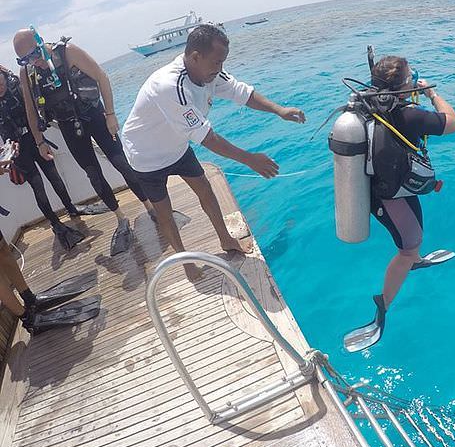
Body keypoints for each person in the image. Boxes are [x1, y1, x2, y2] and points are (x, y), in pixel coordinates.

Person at [121, 24, 306, 281]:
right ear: (195, 57)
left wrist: (279, 110)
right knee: (164, 212)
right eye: (217, 62)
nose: (220, 68)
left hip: (177, 145)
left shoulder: (207, 73)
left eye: (223, 62)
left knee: (205, 189)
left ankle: (226, 239)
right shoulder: (170, 86)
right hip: (146, 154)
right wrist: (250, 159)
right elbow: (206, 138)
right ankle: (185, 261)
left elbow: (241, 92)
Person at [343, 55, 455, 352]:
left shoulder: (372, 106)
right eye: (410, 78)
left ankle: (416, 259)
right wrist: (433, 94)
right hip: (388, 195)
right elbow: (453, 123)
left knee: (415, 234)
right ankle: (382, 308)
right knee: (407, 248)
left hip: (393, 186)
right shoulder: (410, 115)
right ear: (402, 85)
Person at [12, 28, 154, 256]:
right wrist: (40, 142)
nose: (33, 61)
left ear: (40, 41)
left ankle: (150, 206)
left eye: (35, 54)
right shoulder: (27, 73)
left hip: (95, 117)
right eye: (25, 59)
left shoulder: (67, 52)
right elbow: (30, 110)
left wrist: (110, 114)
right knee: (93, 175)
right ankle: (121, 218)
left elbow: (101, 77)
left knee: (122, 163)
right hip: (69, 127)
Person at [0, 65, 85, 250]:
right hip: (17, 149)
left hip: (35, 139)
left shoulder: (17, 86)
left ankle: (71, 208)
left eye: (0, 81)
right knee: (37, 186)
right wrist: (6, 150)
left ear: (5, 77)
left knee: (54, 176)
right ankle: (56, 225)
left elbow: (36, 104)